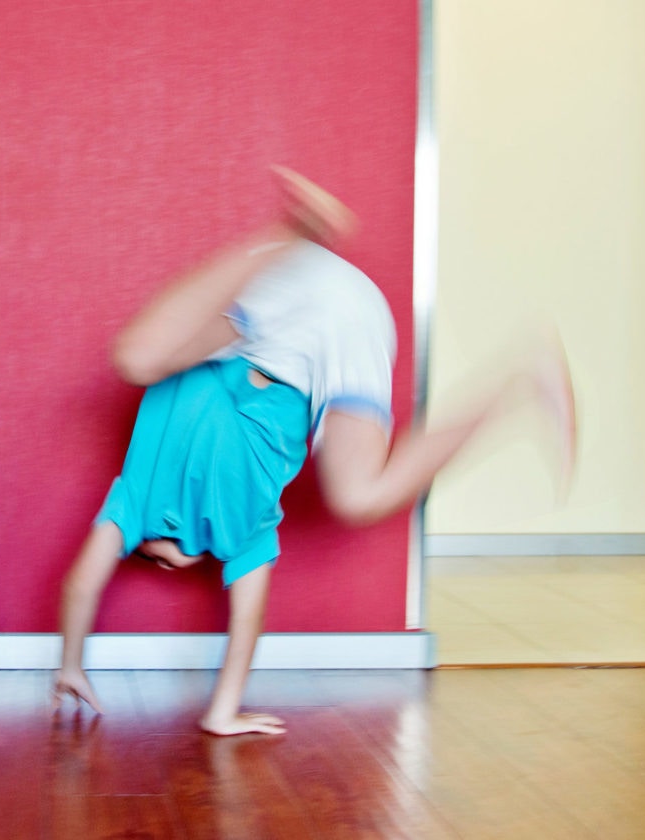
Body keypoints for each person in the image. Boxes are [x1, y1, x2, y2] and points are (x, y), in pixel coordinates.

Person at [53, 167, 576, 736]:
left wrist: (72, 665)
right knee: (356, 497)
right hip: (334, 323)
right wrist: (219, 711)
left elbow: (85, 583)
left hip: (280, 304)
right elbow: (241, 617)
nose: (164, 562)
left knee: (138, 359)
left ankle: (289, 232)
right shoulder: (241, 533)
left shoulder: (132, 506)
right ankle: (519, 380)